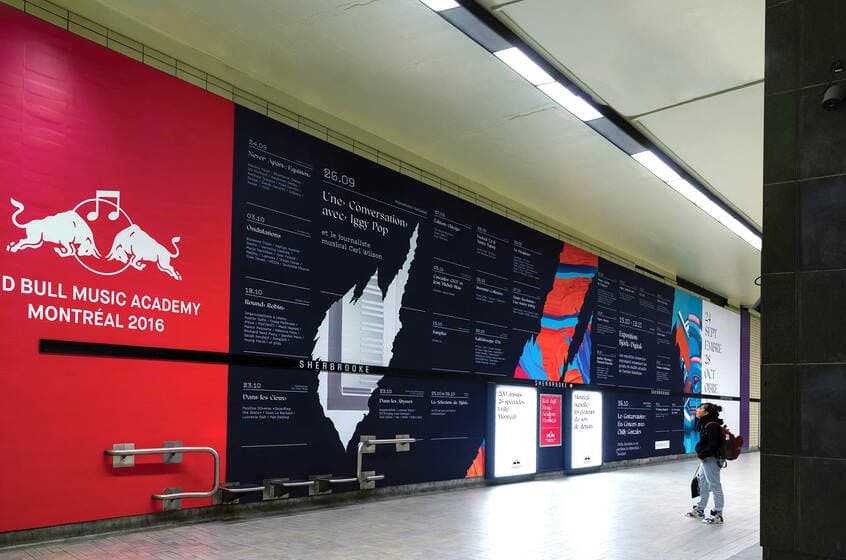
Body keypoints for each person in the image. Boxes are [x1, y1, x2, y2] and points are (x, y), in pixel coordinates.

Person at [685, 402, 725, 524]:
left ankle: (718, 514)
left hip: (712, 459)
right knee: (702, 483)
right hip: (706, 458)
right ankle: (700, 509)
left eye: (700, 408)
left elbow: (714, 445)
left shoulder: (712, 426)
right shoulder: (705, 423)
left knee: (714, 485)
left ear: (706, 412)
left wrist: (702, 455)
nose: (697, 409)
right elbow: (698, 430)